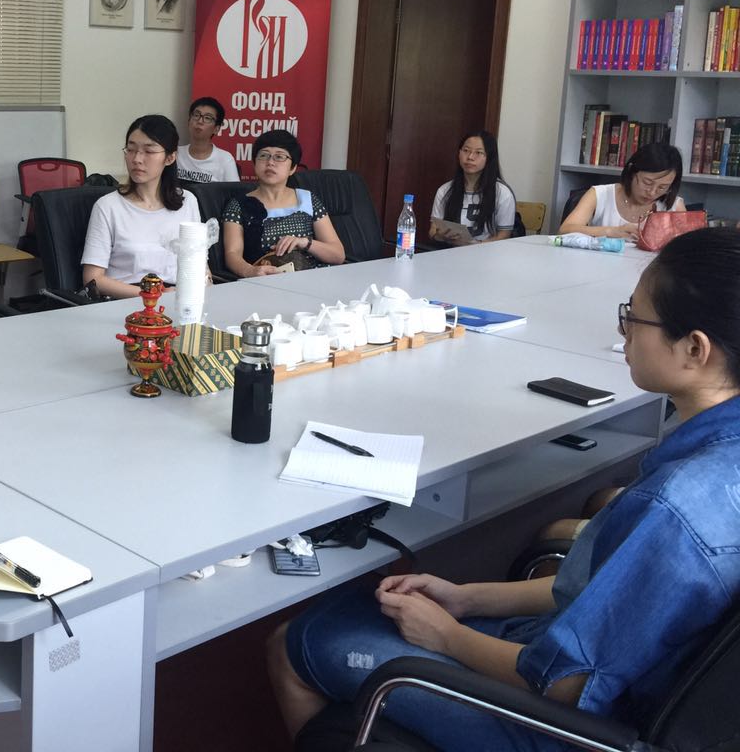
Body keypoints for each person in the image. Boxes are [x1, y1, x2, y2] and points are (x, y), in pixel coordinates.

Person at [268, 225, 740, 751]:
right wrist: (466, 599)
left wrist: (447, 635)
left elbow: (566, 685)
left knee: (298, 640)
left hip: (563, 725)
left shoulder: (675, 508)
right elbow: (600, 591)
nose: (623, 330)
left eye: (634, 316)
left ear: (695, 349)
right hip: (595, 675)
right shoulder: (717, 461)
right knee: (357, 613)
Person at [80, 114, 203, 298]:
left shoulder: (188, 202)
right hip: (127, 301)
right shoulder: (108, 207)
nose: (137, 159)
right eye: (131, 150)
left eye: (148, 151)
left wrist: (203, 282)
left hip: (178, 298)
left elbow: (198, 264)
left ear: (170, 158)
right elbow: (93, 278)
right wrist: (153, 295)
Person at [221, 129, 344, 276]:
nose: (270, 162)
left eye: (279, 157)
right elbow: (232, 254)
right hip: (268, 281)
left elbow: (338, 255)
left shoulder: (307, 199)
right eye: (263, 155)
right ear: (254, 164)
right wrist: (250, 271)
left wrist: (305, 242)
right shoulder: (238, 205)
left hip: (315, 278)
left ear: (292, 168)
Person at [559, 142, 685, 240]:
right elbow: (565, 230)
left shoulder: (674, 207)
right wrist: (610, 231)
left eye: (662, 187)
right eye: (647, 183)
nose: (652, 192)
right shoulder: (600, 194)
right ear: (631, 171)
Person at [429, 130, 517, 245]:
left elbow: (504, 235)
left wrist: (475, 245)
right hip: (451, 251)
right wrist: (441, 236)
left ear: (489, 157)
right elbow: (433, 231)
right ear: (459, 153)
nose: (470, 157)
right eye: (466, 151)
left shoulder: (502, 192)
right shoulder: (445, 190)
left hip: (488, 253)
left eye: (478, 152)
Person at [176, 97, 239, 183]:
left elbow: (234, 191)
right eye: (196, 115)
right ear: (188, 121)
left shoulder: (225, 160)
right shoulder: (176, 154)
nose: (200, 121)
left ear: (216, 129)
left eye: (207, 118)